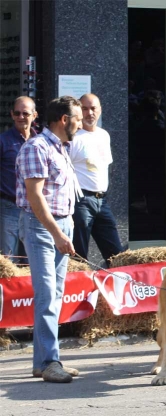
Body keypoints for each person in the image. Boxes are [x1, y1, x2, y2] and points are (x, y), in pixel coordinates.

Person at [16, 96, 83, 383]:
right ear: (64, 120)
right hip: (42, 227)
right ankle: (48, 362)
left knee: (54, 296)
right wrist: (57, 233)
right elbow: (35, 197)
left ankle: (42, 362)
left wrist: (65, 229)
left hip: (60, 224)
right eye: (77, 119)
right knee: (46, 295)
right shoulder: (37, 147)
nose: (81, 124)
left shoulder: (59, 148)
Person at [69, 94, 124, 265]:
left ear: (100, 110)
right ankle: (79, 290)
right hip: (81, 201)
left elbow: (105, 167)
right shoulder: (73, 138)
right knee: (78, 256)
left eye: (93, 108)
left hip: (102, 201)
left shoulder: (104, 135)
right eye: (85, 108)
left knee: (116, 255)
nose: (89, 113)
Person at [0, 96, 37, 263]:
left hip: (35, 209)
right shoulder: (3, 141)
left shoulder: (40, 142)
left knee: (32, 259)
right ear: (12, 115)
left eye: (25, 113)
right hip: (9, 207)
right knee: (9, 260)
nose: (21, 117)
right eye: (17, 113)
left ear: (34, 115)